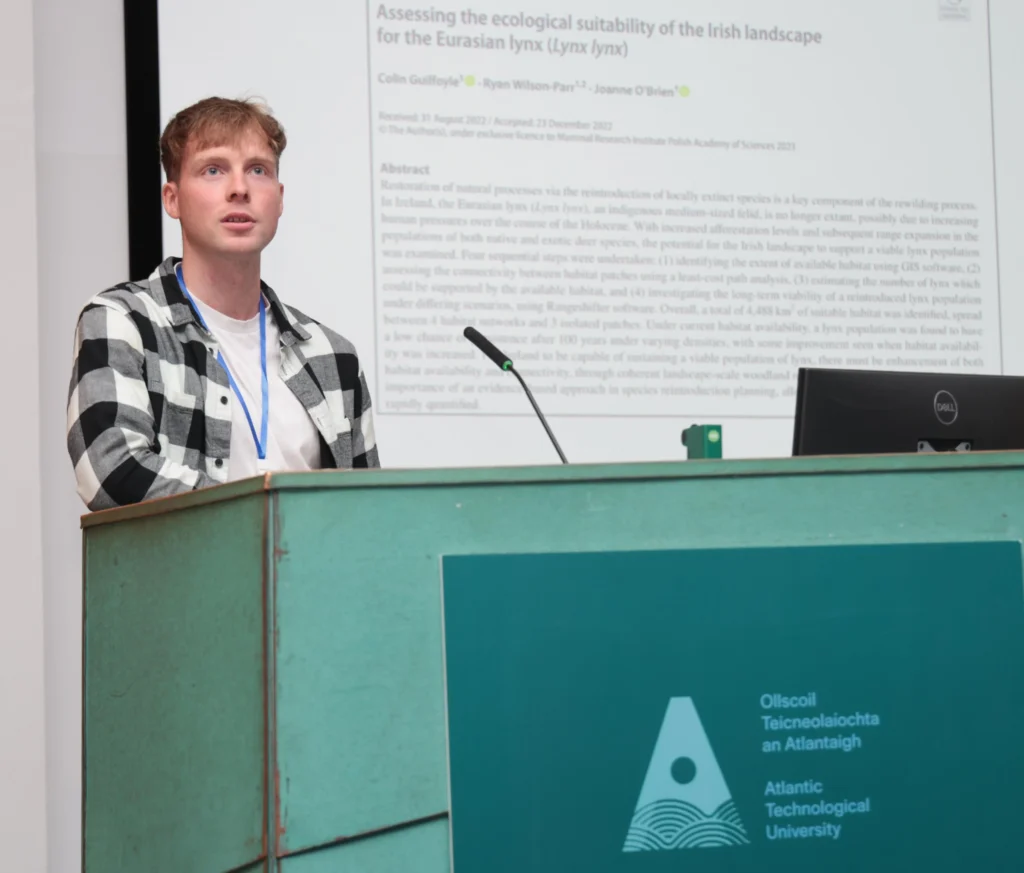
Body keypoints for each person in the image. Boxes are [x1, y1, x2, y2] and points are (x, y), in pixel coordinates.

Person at [66, 97, 379, 511]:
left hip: (309, 576)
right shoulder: (124, 322)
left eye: (258, 170)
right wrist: (260, 514)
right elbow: (109, 472)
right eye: (213, 170)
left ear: (279, 199)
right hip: (187, 575)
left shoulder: (333, 355)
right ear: (172, 199)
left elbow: (370, 511)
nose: (239, 188)